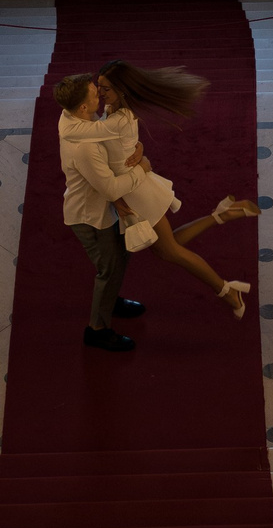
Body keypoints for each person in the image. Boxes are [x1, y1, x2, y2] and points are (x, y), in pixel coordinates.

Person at [54, 62, 258, 350]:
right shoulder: (103, 117)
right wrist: (140, 156)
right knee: (162, 249)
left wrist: (138, 157)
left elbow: (96, 138)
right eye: (96, 88)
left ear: (121, 90)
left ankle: (227, 290)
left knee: (168, 250)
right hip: (122, 195)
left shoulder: (104, 120)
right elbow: (104, 155)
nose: (99, 92)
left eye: (103, 87)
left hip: (136, 193)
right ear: (84, 106)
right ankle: (220, 220)